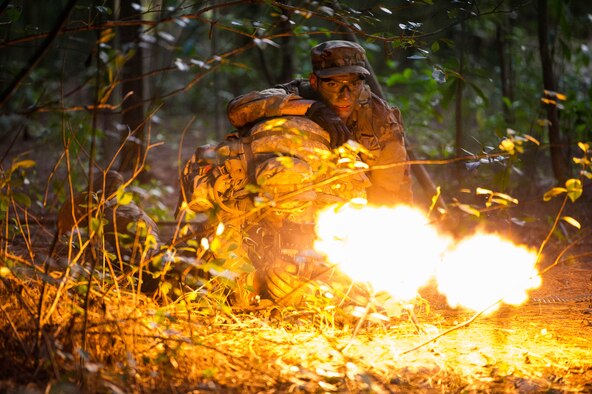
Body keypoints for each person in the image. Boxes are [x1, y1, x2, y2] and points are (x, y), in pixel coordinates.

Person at [226, 40, 413, 206]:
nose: (345, 95)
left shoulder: (378, 116)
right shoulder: (295, 94)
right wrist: (311, 109)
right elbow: (237, 110)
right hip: (283, 198)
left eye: (354, 84)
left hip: (347, 207)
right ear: (314, 82)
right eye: (333, 84)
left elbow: (395, 189)